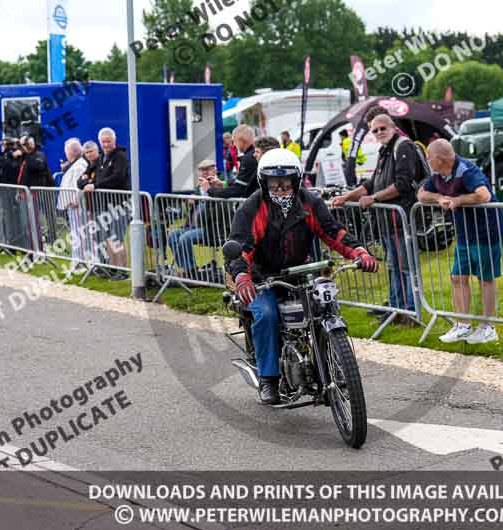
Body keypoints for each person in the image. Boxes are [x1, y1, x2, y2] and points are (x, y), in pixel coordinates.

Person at [226, 148, 379, 404]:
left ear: (296, 181)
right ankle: (269, 379)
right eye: (274, 183)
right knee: (267, 314)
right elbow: (241, 247)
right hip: (263, 278)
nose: (281, 188)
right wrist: (242, 277)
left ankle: (328, 365)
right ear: (264, 182)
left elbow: (333, 232)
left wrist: (360, 252)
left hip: (301, 273)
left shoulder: (309, 202)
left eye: (286, 182)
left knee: (325, 304)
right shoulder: (252, 207)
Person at [331, 114, 421, 323]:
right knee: (394, 266)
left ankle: (409, 312)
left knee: (405, 268)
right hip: (388, 221)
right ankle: (396, 308)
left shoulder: (403, 146)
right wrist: (347, 196)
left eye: (382, 128)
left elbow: (403, 184)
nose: (379, 132)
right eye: (375, 130)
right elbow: (372, 183)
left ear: (393, 127)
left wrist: (374, 198)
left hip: (401, 218)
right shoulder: (385, 150)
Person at [418, 139, 503, 344]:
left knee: (485, 279)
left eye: (429, 157)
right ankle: (463, 325)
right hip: (464, 234)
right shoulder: (437, 174)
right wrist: (439, 197)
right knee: (457, 277)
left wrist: (457, 200)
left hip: (486, 231)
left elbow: (483, 195)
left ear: (440, 159)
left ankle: (488, 327)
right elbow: (421, 194)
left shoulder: (466, 170)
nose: (427, 160)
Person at [168, 159, 225, 278]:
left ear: (215, 169)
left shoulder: (221, 184)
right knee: (173, 235)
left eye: (208, 169)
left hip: (212, 229)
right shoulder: (198, 188)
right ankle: (190, 269)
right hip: (194, 226)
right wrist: (190, 202)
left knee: (185, 238)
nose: (205, 173)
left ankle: (191, 273)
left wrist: (205, 194)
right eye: (202, 170)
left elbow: (219, 208)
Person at [86, 127, 130, 275]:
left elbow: (117, 177)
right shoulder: (99, 159)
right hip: (104, 204)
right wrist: (86, 184)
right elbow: (85, 176)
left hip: (120, 204)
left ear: (114, 141)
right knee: (104, 238)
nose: (106, 144)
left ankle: (122, 270)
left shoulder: (121, 157)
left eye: (108, 141)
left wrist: (96, 185)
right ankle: (109, 268)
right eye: (103, 142)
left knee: (116, 238)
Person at [57, 138, 89, 274]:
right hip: (72, 204)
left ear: (71, 152)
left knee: (79, 233)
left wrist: (75, 200)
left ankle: (80, 262)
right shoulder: (75, 163)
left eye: (67, 151)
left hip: (77, 205)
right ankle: (77, 261)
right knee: (76, 233)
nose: (65, 154)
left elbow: (79, 185)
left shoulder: (80, 164)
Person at [208, 125, 257, 199]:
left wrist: (210, 190)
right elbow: (243, 182)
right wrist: (224, 184)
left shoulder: (248, 158)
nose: (234, 144)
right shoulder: (253, 153)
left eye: (234, 141)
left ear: (241, 140)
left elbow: (237, 190)